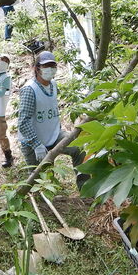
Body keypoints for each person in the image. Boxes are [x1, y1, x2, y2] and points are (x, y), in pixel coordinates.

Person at [16, 51, 87, 185]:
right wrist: (37, 145)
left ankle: (85, 187)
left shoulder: (53, 85)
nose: (50, 69)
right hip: (34, 142)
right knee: (41, 181)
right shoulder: (30, 89)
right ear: (37, 68)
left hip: (53, 136)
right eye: (46, 66)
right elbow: (23, 122)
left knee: (78, 149)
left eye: (53, 66)